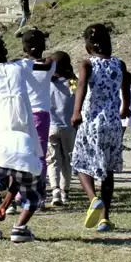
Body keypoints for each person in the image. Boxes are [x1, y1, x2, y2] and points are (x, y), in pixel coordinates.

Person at [0, 36, 43, 243]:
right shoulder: (21, 66)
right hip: (23, 124)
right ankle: (19, 226)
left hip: (0, 122)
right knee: (25, 172)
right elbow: (41, 63)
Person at [71, 23, 131, 232]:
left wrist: (76, 111)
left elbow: (81, 86)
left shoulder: (87, 64)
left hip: (91, 121)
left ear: (88, 45)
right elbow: (126, 87)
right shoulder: (119, 64)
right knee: (108, 171)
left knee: (80, 163)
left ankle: (93, 198)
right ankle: (105, 218)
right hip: (113, 123)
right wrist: (126, 107)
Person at [15, 29, 56, 204]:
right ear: (43, 46)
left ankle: (19, 192)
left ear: (24, 48)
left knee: (21, 153)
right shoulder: (51, 65)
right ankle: (40, 194)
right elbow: (48, 63)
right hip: (42, 114)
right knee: (40, 155)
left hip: (23, 113)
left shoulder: (20, 65)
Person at [47, 51, 76, 207]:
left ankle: (55, 190)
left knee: (52, 160)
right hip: (69, 128)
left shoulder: (48, 82)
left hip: (51, 126)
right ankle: (65, 191)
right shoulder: (72, 83)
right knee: (67, 160)